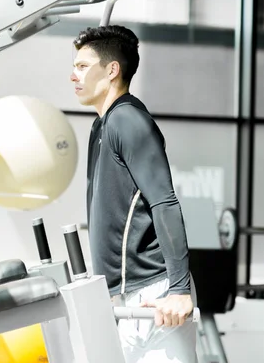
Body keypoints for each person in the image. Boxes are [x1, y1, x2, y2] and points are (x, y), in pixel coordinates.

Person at [70, 25, 198, 363]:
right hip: (123, 297)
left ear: (112, 70)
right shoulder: (102, 126)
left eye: (83, 66)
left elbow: (164, 202)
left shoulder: (128, 121)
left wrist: (180, 290)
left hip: (156, 293)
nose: (73, 75)